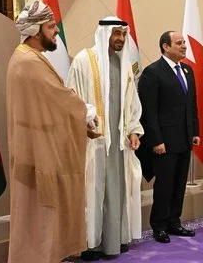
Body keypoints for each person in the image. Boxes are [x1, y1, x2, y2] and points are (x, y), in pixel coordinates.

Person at [7, 1, 101, 263]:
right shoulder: (28, 61)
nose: (56, 32)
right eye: (50, 27)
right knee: (41, 216)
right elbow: (61, 99)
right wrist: (87, 115)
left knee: (42, 216)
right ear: (36, 31)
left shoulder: (27, 57)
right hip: (38, 155)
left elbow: (50, 104)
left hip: (39, 150)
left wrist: (80, 124)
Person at [68, 17, 143, 260]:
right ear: (105, 34)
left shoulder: (124, 66)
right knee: (93, 190)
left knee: (117, 190)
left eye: (123, 34)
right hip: (94, 142)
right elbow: (74, 99)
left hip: (119, 143)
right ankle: (90, 244)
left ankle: (114, 240)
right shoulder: (83, 61)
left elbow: (132, 103)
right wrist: (86, 123)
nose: (120, 39)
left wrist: (133, 129)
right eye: (116, 34)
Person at [137, 31, 200, 243]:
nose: (184, 46)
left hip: (184, 138)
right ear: (165, 46)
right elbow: (149, 111)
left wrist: (195, 131)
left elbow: (191, 104)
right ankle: (159, 226)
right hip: (164, 141)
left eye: (184, 43)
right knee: (164, 185)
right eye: (179, 43)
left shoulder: (187, 70)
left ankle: (174, 222)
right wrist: (155, 141)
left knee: (179, 183)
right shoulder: (152, 72)